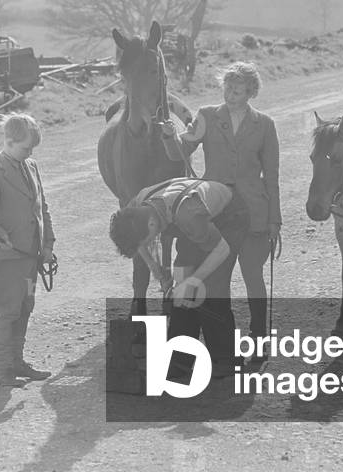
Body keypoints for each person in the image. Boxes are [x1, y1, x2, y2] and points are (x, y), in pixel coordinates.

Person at [161, 62, 281, 367]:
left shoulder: (265, 124)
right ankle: (222, 348)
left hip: (255, 211)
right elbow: (180, 153)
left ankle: (259, 339)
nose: (230, 93)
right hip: (216, 209)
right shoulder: (207, 116)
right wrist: (169, 137)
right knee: (218, 277)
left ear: (251, 92)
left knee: (253, 276)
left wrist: (274, 219)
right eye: (227, 87)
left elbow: (273, 175)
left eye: (238, 89)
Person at [109, 177, 248, 380]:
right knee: (181, 279)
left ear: (151, 224)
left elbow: (222, 250)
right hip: (196, 219)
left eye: (147, 239)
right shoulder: (137, 206)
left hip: (231, 218)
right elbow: (140, 242)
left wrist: (194, 281)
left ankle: (226, 360)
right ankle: (180, 361)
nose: (146, 243)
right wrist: (156, 269)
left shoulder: (188, 215)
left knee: (209, 287)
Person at [0, 113, 56, 387]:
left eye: (31, 150)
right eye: (26, 147)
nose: (29, 153)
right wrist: (0, 235)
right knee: (8, 311)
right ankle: (2, 369)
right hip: (10, 258)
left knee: (25, 307)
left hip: (31, 257)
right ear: (10, 141)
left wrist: (48, 243)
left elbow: (43, 208)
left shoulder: (31, 166)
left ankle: (17, 361)